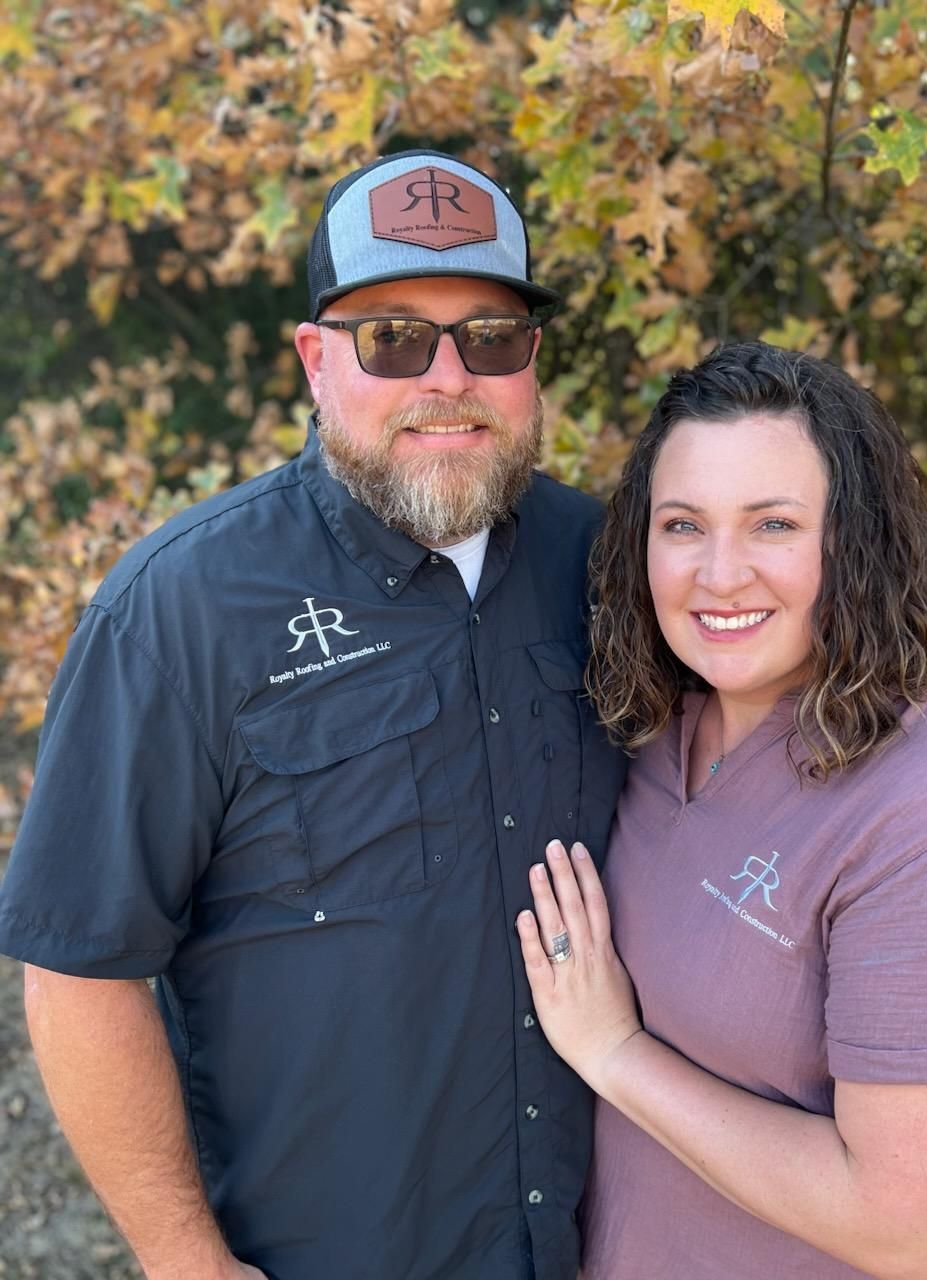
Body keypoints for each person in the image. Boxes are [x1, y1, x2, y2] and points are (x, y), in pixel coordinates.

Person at [0, 150, 626, 1280]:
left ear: (531, 361)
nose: (448, 376)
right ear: (312, 359)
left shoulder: (613, 567)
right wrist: (187, 1260)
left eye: (489, 337)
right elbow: (80, 969)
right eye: (393, 337)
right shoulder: (181, 609)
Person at [515, 342, 927, 1280]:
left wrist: (614, 1052)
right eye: (683, 525)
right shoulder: (651, 727)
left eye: (773, 525)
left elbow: (905, 1227)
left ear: (855, 542)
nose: (720, 574)